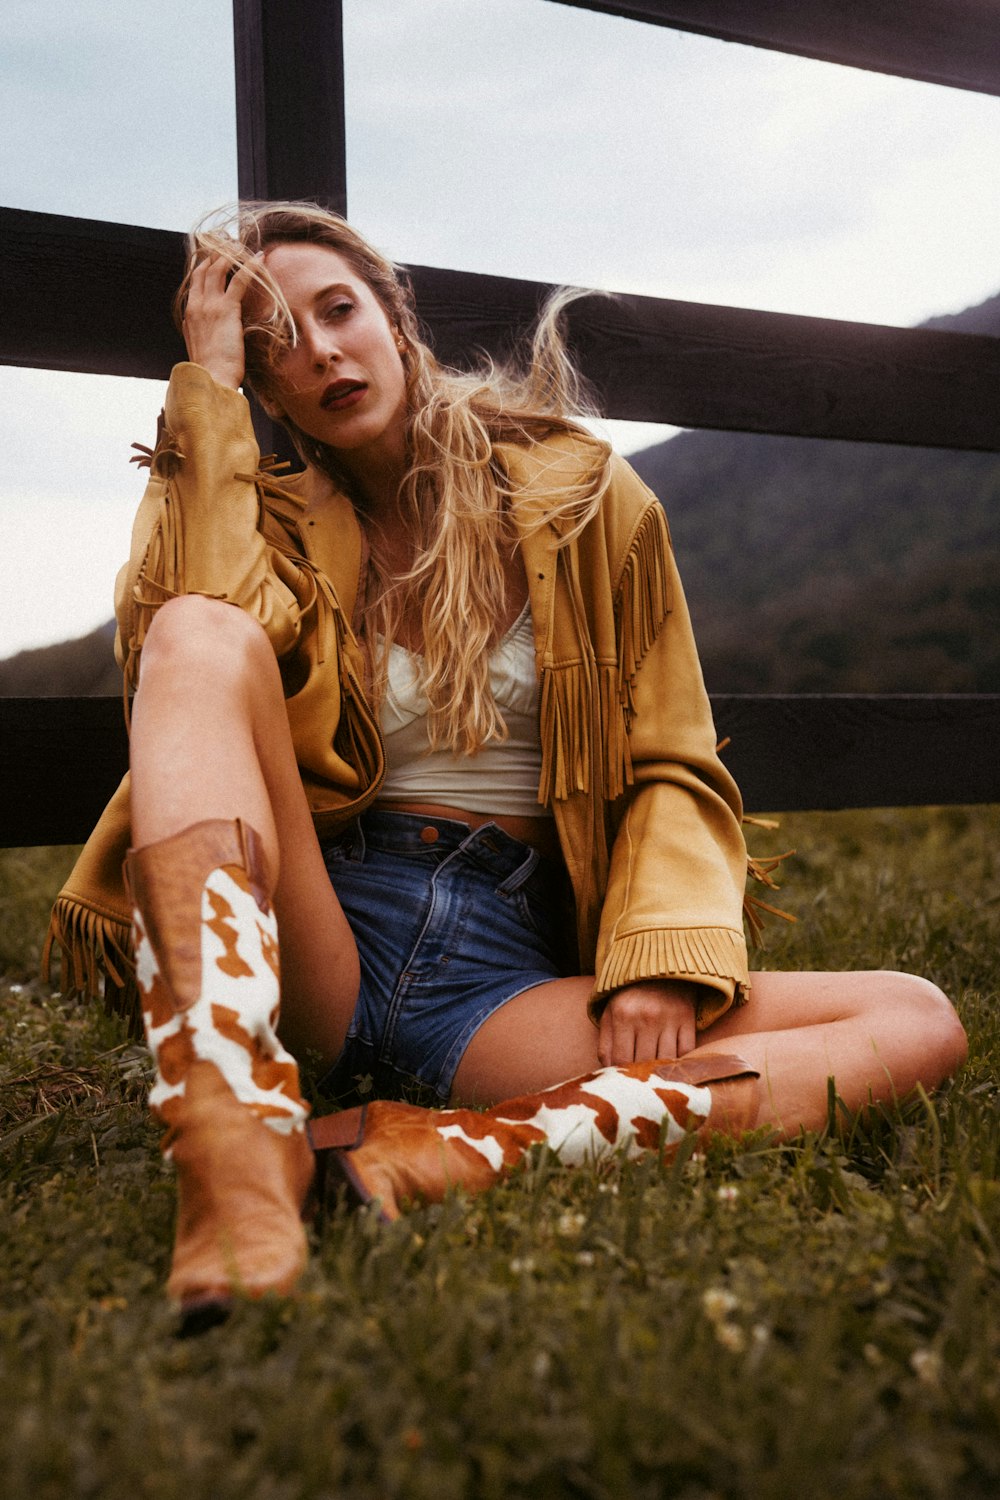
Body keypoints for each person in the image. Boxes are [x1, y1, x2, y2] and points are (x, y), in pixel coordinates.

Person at [46, 202, 967, 1326]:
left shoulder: (583, 495)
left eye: (339, 311)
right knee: (200, 627)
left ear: (395, 316)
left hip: (495, 983)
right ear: (267, 388)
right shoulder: (270, 514)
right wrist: (207, 393)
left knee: (914, 1018)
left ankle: (447, 1151)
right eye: (276, 341)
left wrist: (655, 954)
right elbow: (166, 644)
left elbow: (671, 752)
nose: (321, 351)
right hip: (309, 927)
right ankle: (232, 1149)